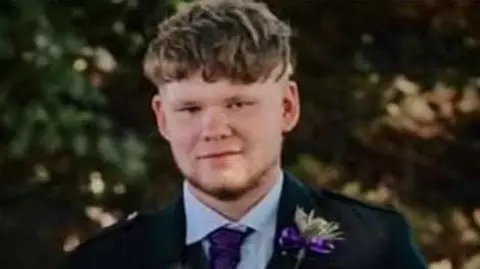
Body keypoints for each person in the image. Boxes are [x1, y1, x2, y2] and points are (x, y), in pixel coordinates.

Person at [59, 0, 428, 268]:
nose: (214, 130)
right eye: (190, 109)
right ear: (163, 118)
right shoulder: (106, 261)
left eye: (238, 104)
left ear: (287, 107)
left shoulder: (375, 247)